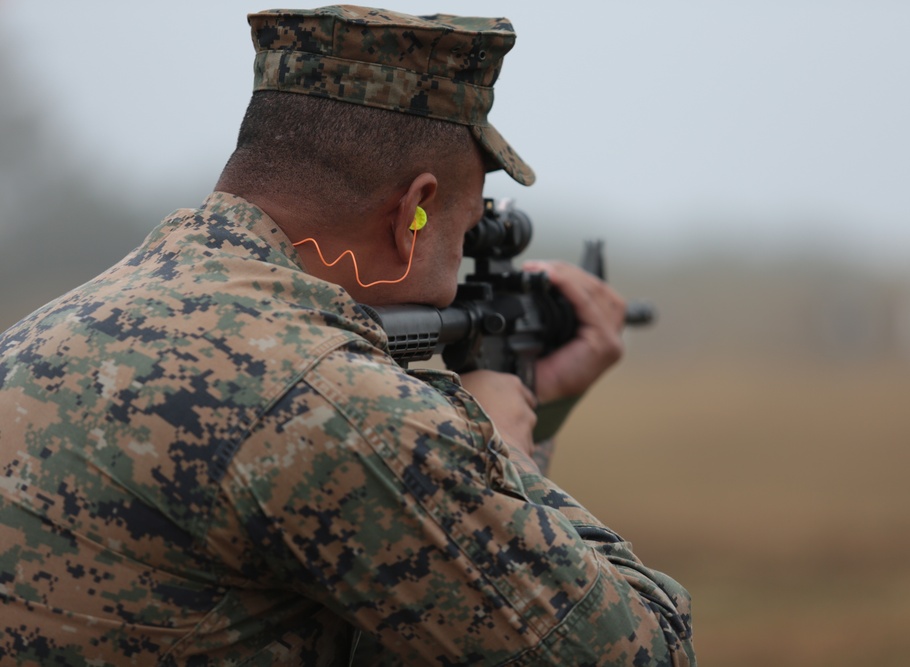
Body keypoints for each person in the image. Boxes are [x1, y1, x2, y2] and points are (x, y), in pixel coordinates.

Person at [0, 6, 696, 665]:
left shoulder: (41, 334)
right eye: (462, 228)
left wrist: (535, 403)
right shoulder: (335, 404)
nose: (459, 266)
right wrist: (499, 451)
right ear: (413, 213)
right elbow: (644, 647)